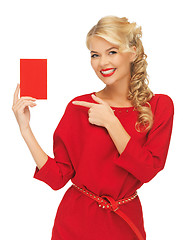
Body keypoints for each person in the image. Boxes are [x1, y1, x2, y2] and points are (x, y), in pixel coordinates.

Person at [12, 15, 174, 240]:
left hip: (124, 223)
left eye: (112, 52)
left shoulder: (159, 105)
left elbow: (148, 170)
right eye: (95, 55)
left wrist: (111, 122)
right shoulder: (79, 107)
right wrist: (25, 129)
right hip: (74, 223)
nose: (102, 63)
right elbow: (58, 178)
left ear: (133, 52)